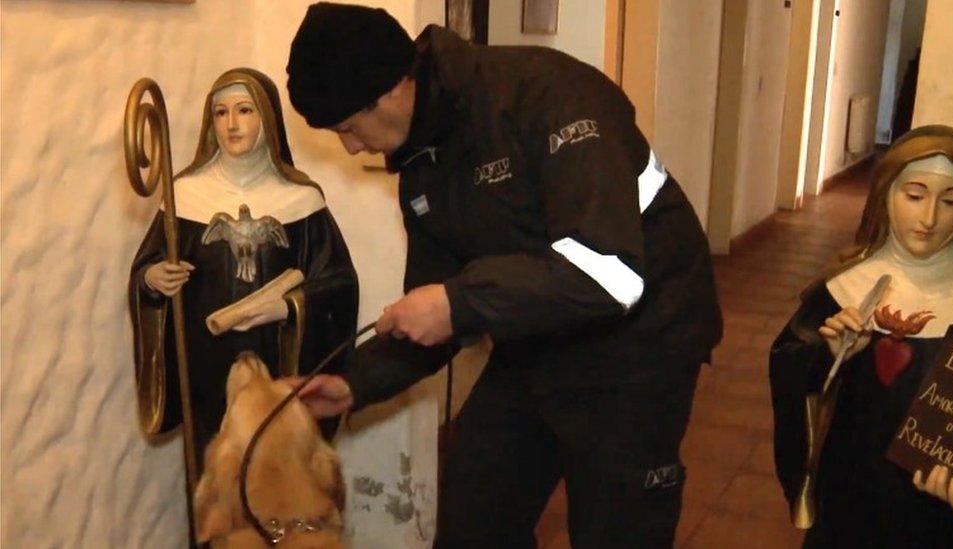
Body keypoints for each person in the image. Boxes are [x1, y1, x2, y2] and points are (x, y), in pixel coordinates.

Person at [285, 4, 722, 547]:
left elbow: (610, 273)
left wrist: (454, 303)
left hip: (640, 342)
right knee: (473, 520)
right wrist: (356, 381)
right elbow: (438, 310)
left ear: (392, 88)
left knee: (618, 528)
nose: (351, 147)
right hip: (536, 339)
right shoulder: (422, 162)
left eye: (349, 127)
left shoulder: (550, 95)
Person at [128, 68, 359, 464]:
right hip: (206, 366)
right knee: (212, 468)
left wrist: (288, 307)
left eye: (245, 110)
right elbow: (147, 268)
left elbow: (338, 283)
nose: (231, 124)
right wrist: (152, 279)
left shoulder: (299, 199)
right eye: (220, 113)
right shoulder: (185, 195)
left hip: (277, 363)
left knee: (274, 470)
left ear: (267, 118)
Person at [770, 125, 953, 547]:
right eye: (914, 196)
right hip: (851, 489)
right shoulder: (845, 287)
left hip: (938, 510)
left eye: (950, 200)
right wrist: (826, 355)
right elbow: (789, 373)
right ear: (886, 193)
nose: (929, 217)